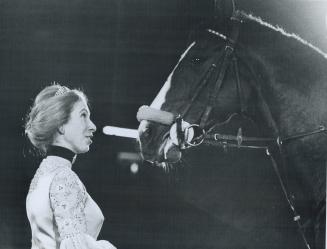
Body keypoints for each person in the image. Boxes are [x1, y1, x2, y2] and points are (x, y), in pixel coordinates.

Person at [24, 84, 116, 249]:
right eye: (83, 115)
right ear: (60, 124)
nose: (92, 126)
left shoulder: (41, 177)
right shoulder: (64, 177)